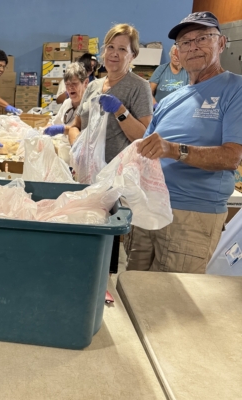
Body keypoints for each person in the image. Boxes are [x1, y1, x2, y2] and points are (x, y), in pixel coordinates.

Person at [127, 11, 242, 274]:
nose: (193, 47)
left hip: (191, 216)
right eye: (185, 42)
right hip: (149, 208)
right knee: (133, 287)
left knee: (170, 296)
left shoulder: (235, 89)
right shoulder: (169, 100)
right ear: (177, 52)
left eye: (203, 38)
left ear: (221, 43)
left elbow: (232, 157)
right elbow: (144, 151)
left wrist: (173, 150)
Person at [45, 23, 153, 274]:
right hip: (87, 176)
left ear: (133, 55)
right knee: (84, 239)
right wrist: (77, 147)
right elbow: (78, 124)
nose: (115, 53)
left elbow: (142, 136)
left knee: (105, 246)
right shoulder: (93, 86)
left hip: (115, 181)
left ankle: (102, 286)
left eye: (122, 49)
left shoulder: (139, 87)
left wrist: (120, 110)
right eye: (111, 47)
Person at [43, 63, 88, 129]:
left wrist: (63, 130)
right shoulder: (67, 103)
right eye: (67, 84)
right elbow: (54, 123)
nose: (70, 88)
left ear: (86, 83)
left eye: (74, 83)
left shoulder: (90, 106)